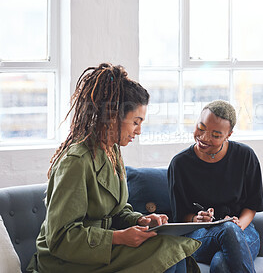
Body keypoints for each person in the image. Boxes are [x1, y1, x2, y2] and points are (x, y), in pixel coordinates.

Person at [27, 63, 200, 273]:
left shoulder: (112, 152)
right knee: (168, 251)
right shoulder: (75, 162)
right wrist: (118, 237)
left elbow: (116, 211)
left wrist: (141, 219)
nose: (139, 131)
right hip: (65, 260)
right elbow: (61, 238)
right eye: (136, 122)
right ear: (113, 116)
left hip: (101, 249)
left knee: (172, 249)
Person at [168, 100, 263, 273]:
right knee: (226, 230)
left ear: (229, 134)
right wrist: (197, 219)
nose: (204, 137)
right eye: (201, 128)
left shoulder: (245, 156)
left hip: (242, 230)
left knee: (221, 262)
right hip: (200, 235)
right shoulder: (180, 164)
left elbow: (252, 205)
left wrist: (238, 225)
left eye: (216, 134)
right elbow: (180, 216)